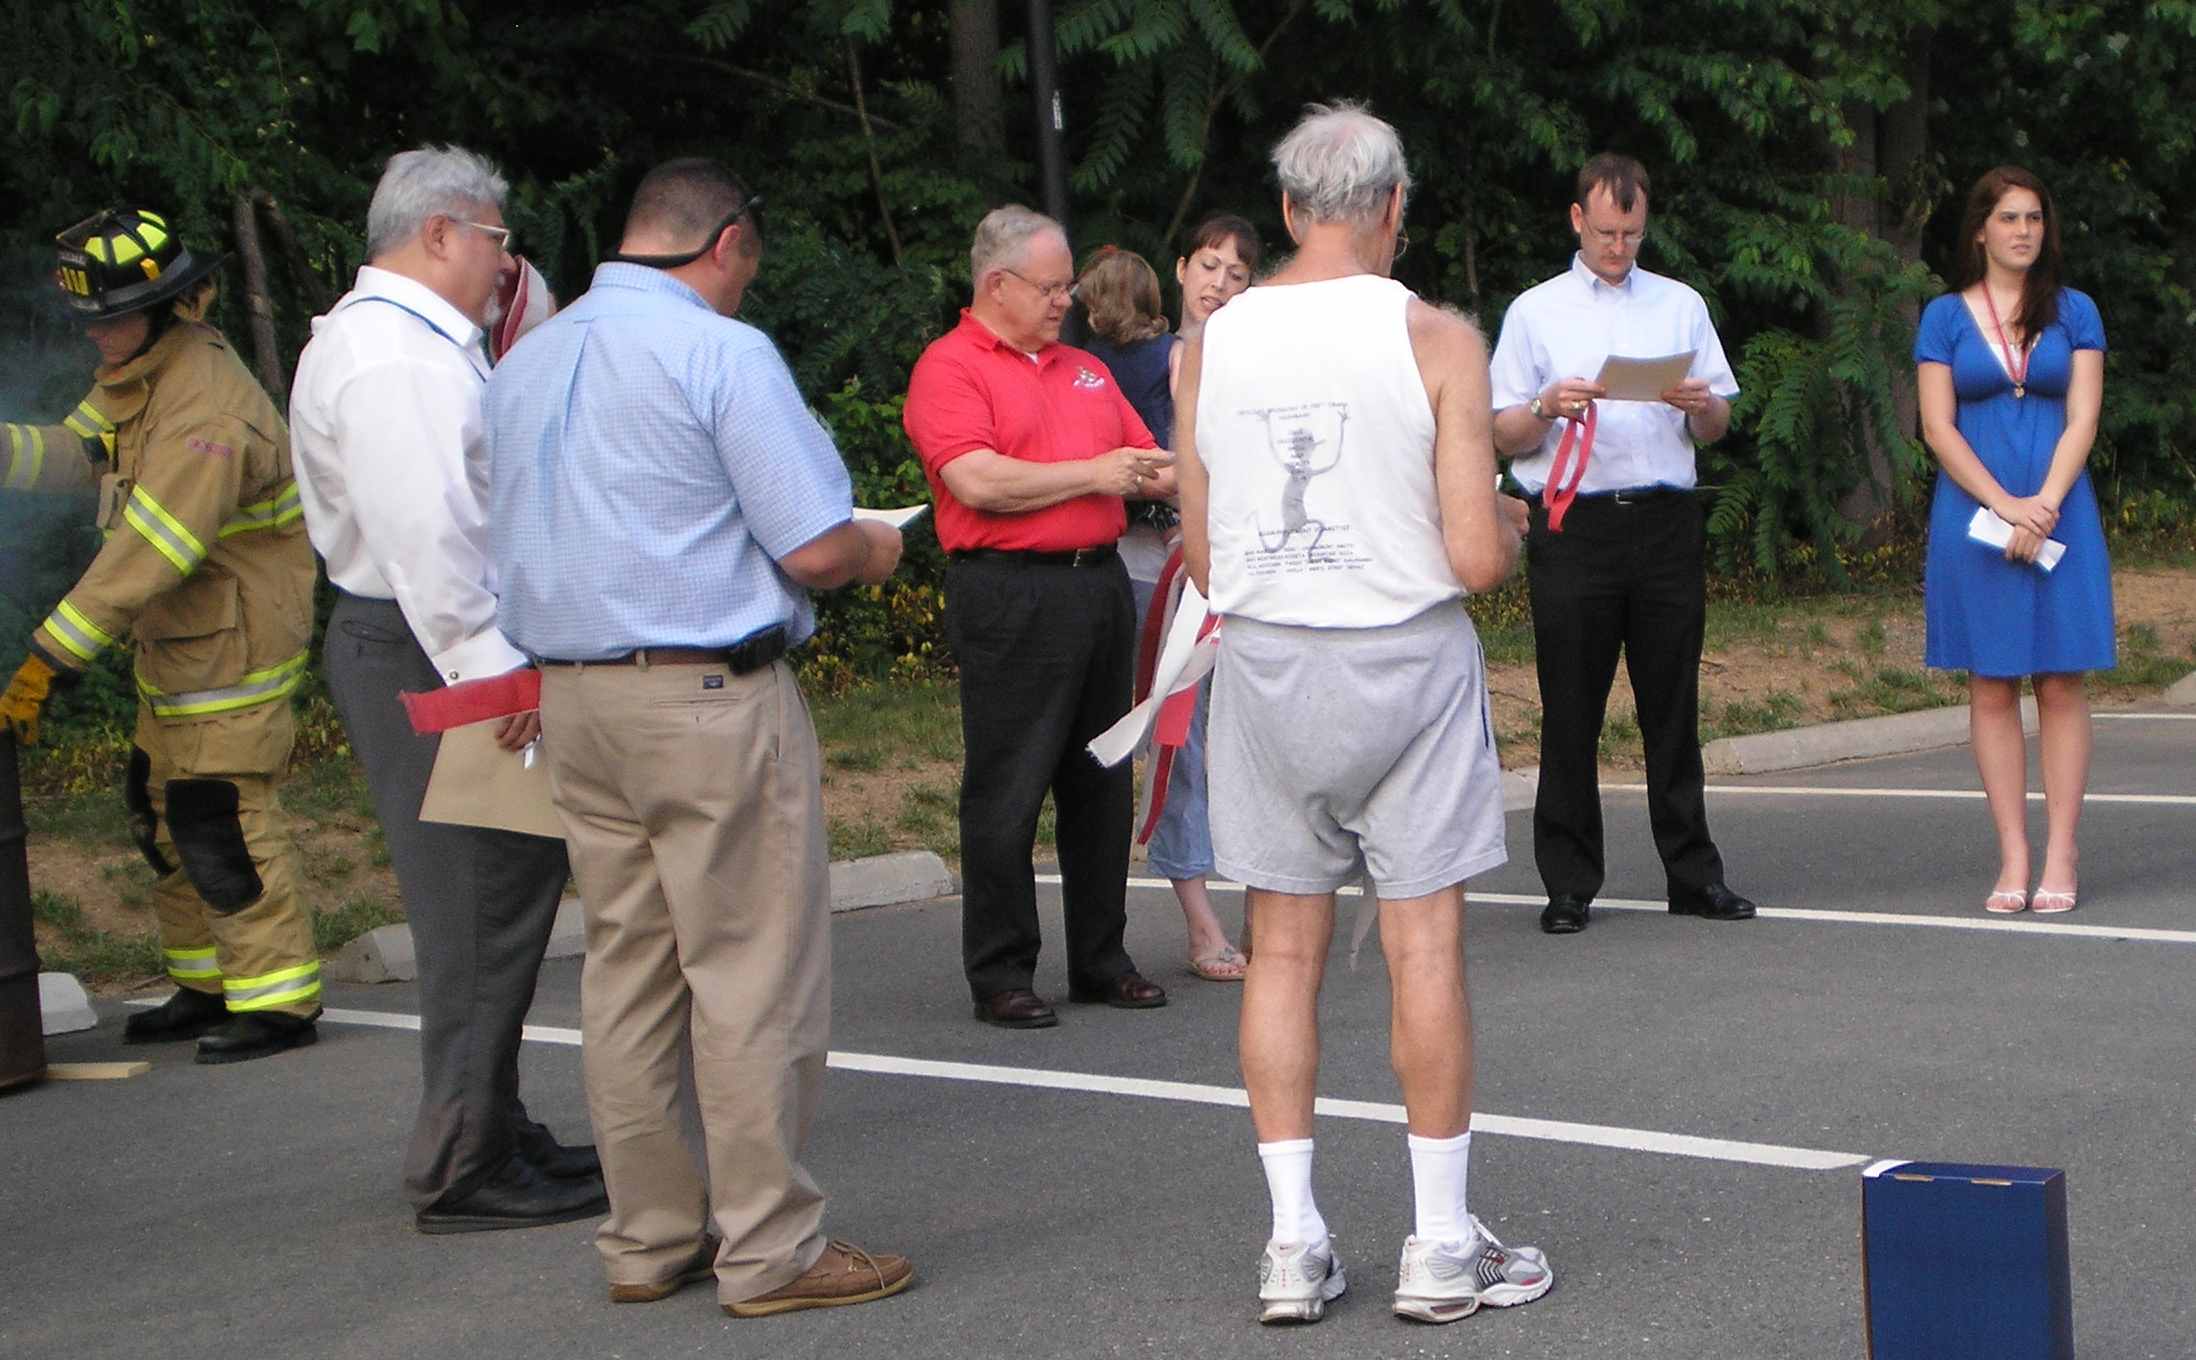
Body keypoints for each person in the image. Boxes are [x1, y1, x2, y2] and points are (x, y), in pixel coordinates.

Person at [485, 157, 913, 1316]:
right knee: (750, 973)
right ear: (726, 243)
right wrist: (879, 548)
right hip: (708, 696)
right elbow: (816, 545)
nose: (744, 292)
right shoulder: (719, 353)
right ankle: (769, 1250)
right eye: (746, 271)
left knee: (627, 971)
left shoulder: (525, 360)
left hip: (574, 697)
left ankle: (649, 1234)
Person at [1175, 101, 1553, 1327]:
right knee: (1423, 947)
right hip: (1404, 665)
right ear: (1395, 208)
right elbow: (1473, 555)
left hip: (1273, 664)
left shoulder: (1208, 346)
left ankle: (1294, 1243)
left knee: (1279, 952)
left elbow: (1202, 549)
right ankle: (1440, 1244)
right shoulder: (1439, 336)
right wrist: (1502, 521)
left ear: (1287, 209)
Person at [289, 145, 609, 1234]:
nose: (502, 262)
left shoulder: (403, 342)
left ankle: (490, 1120)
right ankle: (463, 1160)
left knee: (503, 895)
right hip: (432, 643)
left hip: (425, 638)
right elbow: (432, 537)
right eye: (494, 240)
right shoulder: (393, 358)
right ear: (439, 234)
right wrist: (494, 670)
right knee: (479, 905)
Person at [0, 208, 322, 1064]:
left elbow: (156, 550)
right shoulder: (144, 368)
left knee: (219, 814)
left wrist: (47, 658)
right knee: (161, 809)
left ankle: (277, 1000)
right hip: (181, 645)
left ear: (169, 304)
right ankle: (207, 983)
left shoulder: (205, 409)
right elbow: (80, 452)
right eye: (91, 321)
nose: (99, 336)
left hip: (234, 643)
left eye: (112, 318)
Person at [903, 206, 1174, 1030]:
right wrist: (1097, 473)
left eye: (1069, 288)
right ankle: (1002, 969)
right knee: (1010, 784)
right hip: (1010, 588)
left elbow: (1146, 464)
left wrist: (1198, 475)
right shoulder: (950, 368)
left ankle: (1101, 956)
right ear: (997, 284)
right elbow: (979, 481)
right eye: (1054, 288)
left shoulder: (1085, 369)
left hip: (1098, 586)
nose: (1068, 302)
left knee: (1101, 781)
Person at [1488, 153, 1756, 936]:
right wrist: (1546, 405)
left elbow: (1717, 424)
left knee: (1673, 703)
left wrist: (1701, 405)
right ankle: (1569, 883)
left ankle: (1692, 874)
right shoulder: (1536, 311)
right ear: (1578, 220)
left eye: (1632, 233)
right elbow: (1501, 428)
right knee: (1571, 704)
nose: (1618, 247)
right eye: (1606, 231)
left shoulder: (1679, 304)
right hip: (1576, 524)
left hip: (1666, 519)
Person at [1915, 166, 2112, 915]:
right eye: (2008, 218)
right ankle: (2014, 853)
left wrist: (2045, 505)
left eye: (2034, 218)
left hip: (2063, 513)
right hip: (1974, 517)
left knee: (2061, 678)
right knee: (1992, 682)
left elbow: (2083, 417)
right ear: (1980, 231)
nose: (2024, 230)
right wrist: (2006, 506)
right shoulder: (1943, 316)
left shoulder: (2077, 312)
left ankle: (2062, 847)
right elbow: (1937, 427)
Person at [1075, 235, 1253, 982]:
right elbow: (1177, 465)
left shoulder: (1243, 360)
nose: (1218, 283)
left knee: (1222, 741)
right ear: (1179, 272)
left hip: (1231, 572)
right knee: (1179, 741)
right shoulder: (1157, 363)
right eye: (1208, 267)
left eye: (1237, 273)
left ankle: (1247, 902)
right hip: (1161, 575)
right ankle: (1197, 917)